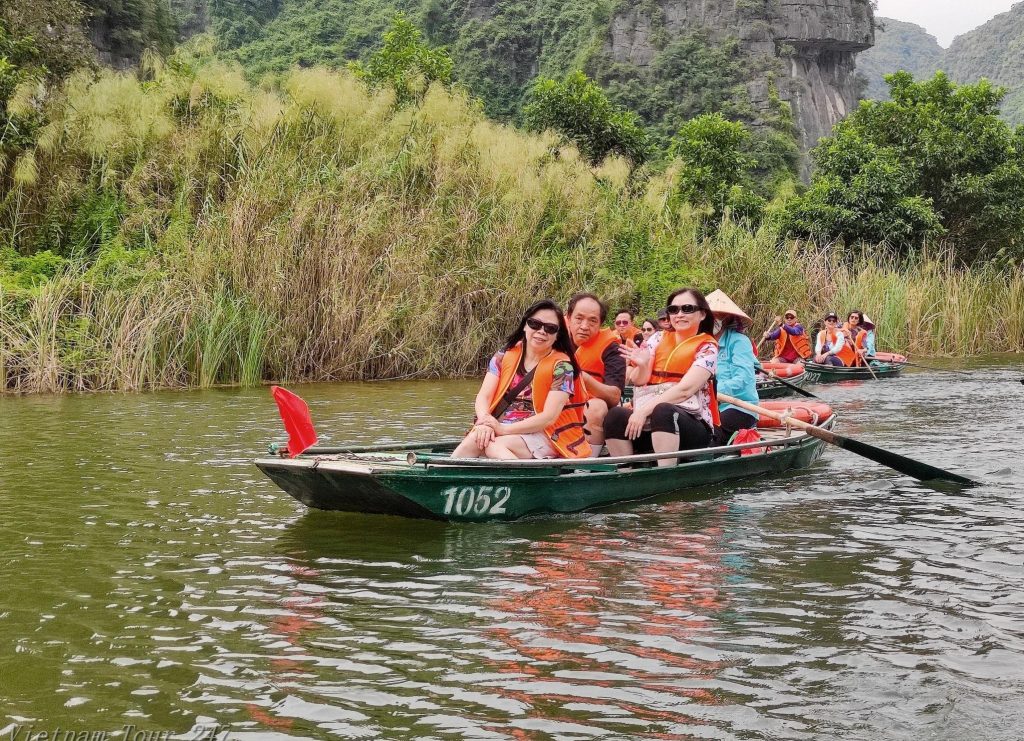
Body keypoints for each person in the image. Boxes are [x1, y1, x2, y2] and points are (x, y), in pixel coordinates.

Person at [452, 300, 591, 460]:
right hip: (500, 426)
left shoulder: (563, 367)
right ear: (525, 325)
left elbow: (549, 417)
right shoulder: (503, 355)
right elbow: (484, 397)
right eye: (534, 324)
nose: (541, 331)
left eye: (550, 328)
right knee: (476, 438)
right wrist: (485, 422)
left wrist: (502, 429)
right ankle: (441, 475)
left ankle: (524, 483)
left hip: (545, 433)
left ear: (557, 335)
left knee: (492, 444)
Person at [604, 288, 719, 465]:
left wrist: (642, 411)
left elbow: (684, 390)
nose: (679, 314)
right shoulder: (657, 338)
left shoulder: (708, 347)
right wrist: (642, 365)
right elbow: (639, 380)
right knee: (615, 415)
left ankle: (665, 472)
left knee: (663, 410)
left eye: (687, 309)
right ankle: (625, 471)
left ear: (702, 314)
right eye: (673, 310)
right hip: (649, 421)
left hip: (690, 426)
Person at [566, 293, 626, 446]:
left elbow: (614, 396)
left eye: (592, 321)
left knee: (596, 407)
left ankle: (586, 463)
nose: (584, 326)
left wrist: (583, 378)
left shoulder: (612, 349)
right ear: (569, 318)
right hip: (556, 404)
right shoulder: (551, 340)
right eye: (579, 318)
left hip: (590, 406)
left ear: (600, 324)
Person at [706, 290, 759, 445]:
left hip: (739, 406)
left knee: (712, 432)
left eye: (717, 315)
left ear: (727, 318)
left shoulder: (738, 341)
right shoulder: (703, 343)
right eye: (709, 315)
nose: (712, 319)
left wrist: (714, 392)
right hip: (708, 406)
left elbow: (742, 379)